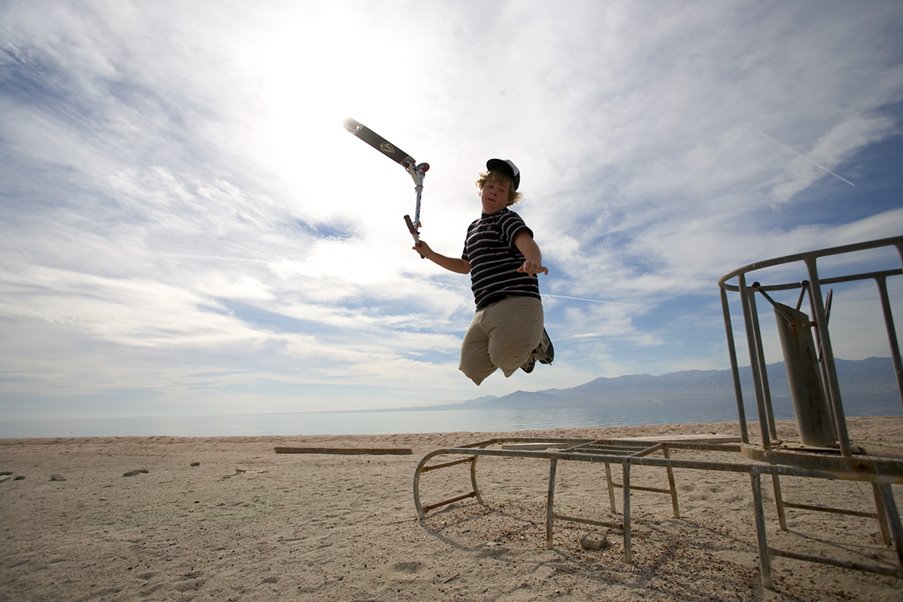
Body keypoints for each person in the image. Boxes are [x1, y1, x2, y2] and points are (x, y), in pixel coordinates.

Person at [413, 158, 553, 385]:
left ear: (509, 199)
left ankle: (535, 343)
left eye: (501, 190)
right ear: (481, 188)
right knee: (471, 366)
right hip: (484, 308)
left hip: (516, 300)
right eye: (490, 186)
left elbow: (526, 241)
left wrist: (533, 259)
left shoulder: (507, 218)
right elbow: (464, 266)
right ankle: (524, 346)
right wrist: (429, 253)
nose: (493, 192)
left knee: (504, 355)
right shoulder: (473, 228)